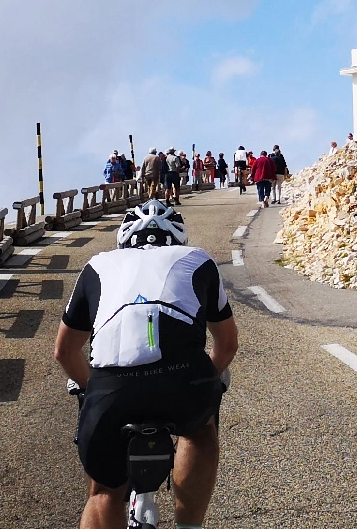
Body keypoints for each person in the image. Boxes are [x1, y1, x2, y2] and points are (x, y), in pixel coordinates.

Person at [53, 200, 237, 529]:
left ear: (124, 239)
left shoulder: (97, 264)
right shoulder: (196, 258)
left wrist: (90, 388)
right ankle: (189, 526)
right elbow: (227, 344)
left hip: (112, 388)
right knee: (199, 432)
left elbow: (64, 351)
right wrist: (210, 382)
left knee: (103, 491)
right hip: (183, 381)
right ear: (177, 238)